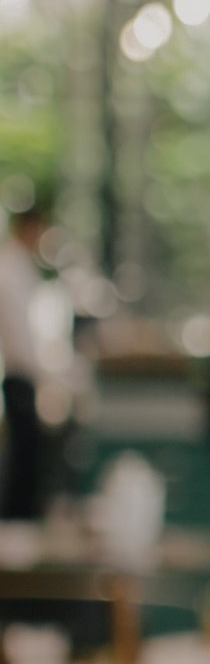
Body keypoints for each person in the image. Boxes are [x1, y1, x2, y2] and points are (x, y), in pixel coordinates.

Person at [0, 193, 67, 522]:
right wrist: (46, 378)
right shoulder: (9, 271)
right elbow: (20, 338)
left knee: (29, 461)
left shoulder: (21, 269)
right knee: (24, 462)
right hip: (19, 376)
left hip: (26, 375)